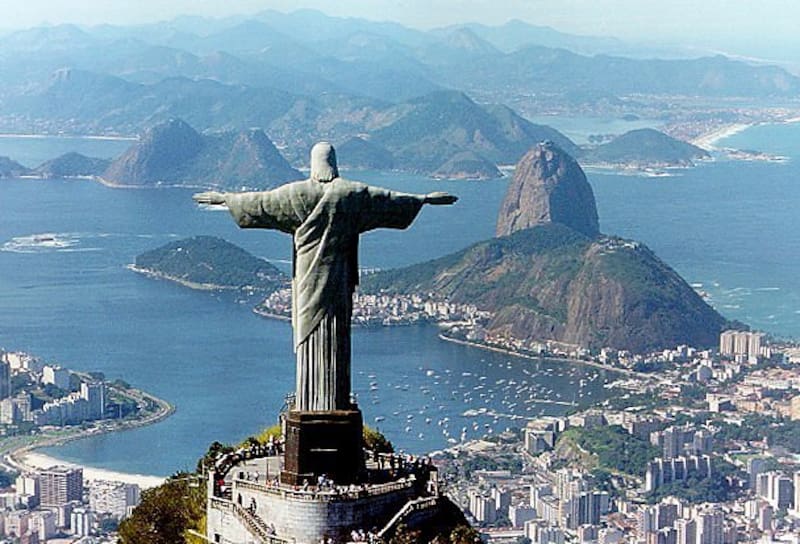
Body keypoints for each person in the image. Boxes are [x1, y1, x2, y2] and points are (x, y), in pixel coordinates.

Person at [193, 142, 457, 412]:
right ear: (334, 163)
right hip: (339, 278)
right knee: (337, 334)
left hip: (307, 280)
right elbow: (387, 199)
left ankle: (310, 402)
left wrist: (225, 199)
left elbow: (260, 202)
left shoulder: (296, 194)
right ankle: (333, 401)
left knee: (308, 331)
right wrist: (423, 199)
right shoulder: (350, 194)